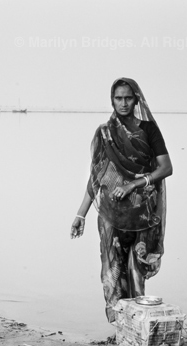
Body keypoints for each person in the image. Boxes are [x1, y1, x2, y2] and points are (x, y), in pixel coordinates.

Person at [70, 77, 173, 322]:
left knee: (136, 271)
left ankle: (138, 326)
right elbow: (95, 178)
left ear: (136, 99)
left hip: (142, 214)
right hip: (111, 214)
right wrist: (80, 214)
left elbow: (166, 168)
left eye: (128, 98)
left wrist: (134, 184)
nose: (123, 103)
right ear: (112, 100)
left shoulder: (148, 129)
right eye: (119, 98)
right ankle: (122, 329)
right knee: (112, 273)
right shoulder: (105, 133)